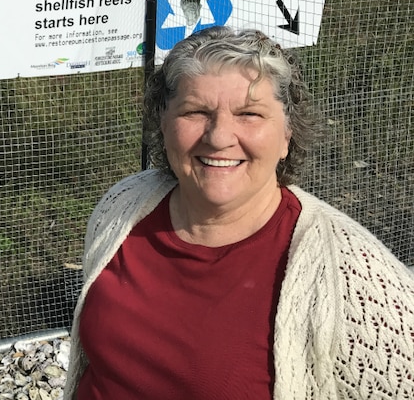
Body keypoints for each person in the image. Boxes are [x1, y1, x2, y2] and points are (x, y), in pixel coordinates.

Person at [63, 26, 414, 399]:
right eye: (196, 111)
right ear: (163, 125)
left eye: (249, 114)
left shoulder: (354, 275)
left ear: (287, 136)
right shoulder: (124, 206)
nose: (219, 137)